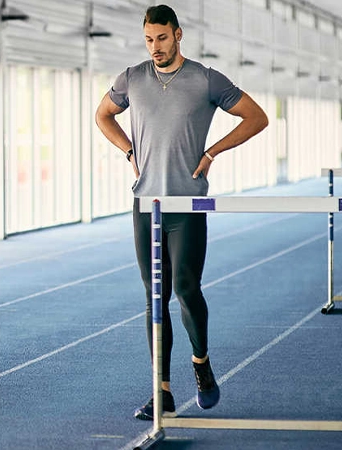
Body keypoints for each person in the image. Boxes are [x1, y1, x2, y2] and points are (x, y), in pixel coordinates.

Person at [94, 5, 268, 420]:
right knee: (155, 298)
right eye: (149, 39)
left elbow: (256, 118)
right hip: (145, 205)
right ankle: (163, 391)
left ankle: (201, 363)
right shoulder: (131, 78)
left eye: (162, 38)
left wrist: (212, 152)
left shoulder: (205, 79)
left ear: (178, 35)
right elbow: (103, 115)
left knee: (186, 290)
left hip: (188, 204)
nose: (155, 47)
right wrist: (128, 149)